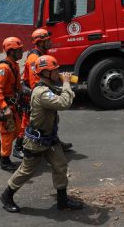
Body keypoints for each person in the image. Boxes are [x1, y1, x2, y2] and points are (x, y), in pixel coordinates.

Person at [0, 55, 83, 213]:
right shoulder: (41, 92)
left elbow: (64, 94)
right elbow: (64, 103)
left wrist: (69, 86)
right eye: (55, 70)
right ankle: (7, 196)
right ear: (46, 73)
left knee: (60, 165)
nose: (58, 72)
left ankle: (62, 201)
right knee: (27, 170)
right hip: (37, 141)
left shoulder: (49, 88)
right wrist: (66, 83)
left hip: (50, 138)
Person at [14, 28, 72, 159]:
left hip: (36, 91)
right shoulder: (35, 58)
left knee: (52, 119)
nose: (50, 42)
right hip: (32, 94)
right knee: (28, 122)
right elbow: (37, 82)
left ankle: (55, 142)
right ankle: (18, 147)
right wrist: (48, 94)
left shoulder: (41, 54)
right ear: (40, 42)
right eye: (47, 40)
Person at [0, 37, 23, 171]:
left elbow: (16, 85)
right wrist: (4, 107)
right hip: (5, 106)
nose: (21, 52)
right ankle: (5, 160)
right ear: (11, 51)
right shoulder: (3, 68)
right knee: (8, 133)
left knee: (17, 130)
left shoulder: (14, 65)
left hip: (12, 104)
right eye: (19, 50)